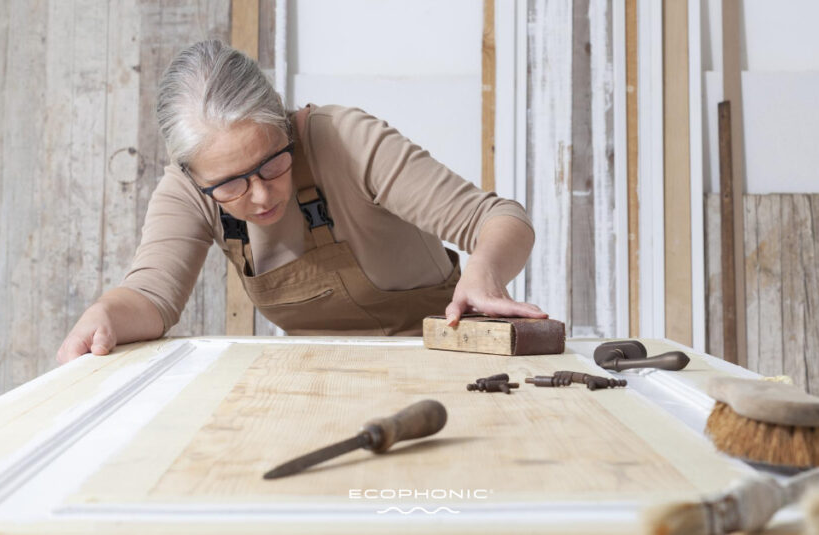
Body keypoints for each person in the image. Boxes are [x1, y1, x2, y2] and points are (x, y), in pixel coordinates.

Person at [56, 40, 545, 363]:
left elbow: (500, 218)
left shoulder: (347, 141)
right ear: (193, 175)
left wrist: (485, 271)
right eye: (231, 184)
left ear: (284, 123)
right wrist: (104, 315)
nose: (263, 194)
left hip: (445, 361)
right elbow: (151, 298)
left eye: (272, 162)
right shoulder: (189, 191)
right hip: (318, 375)